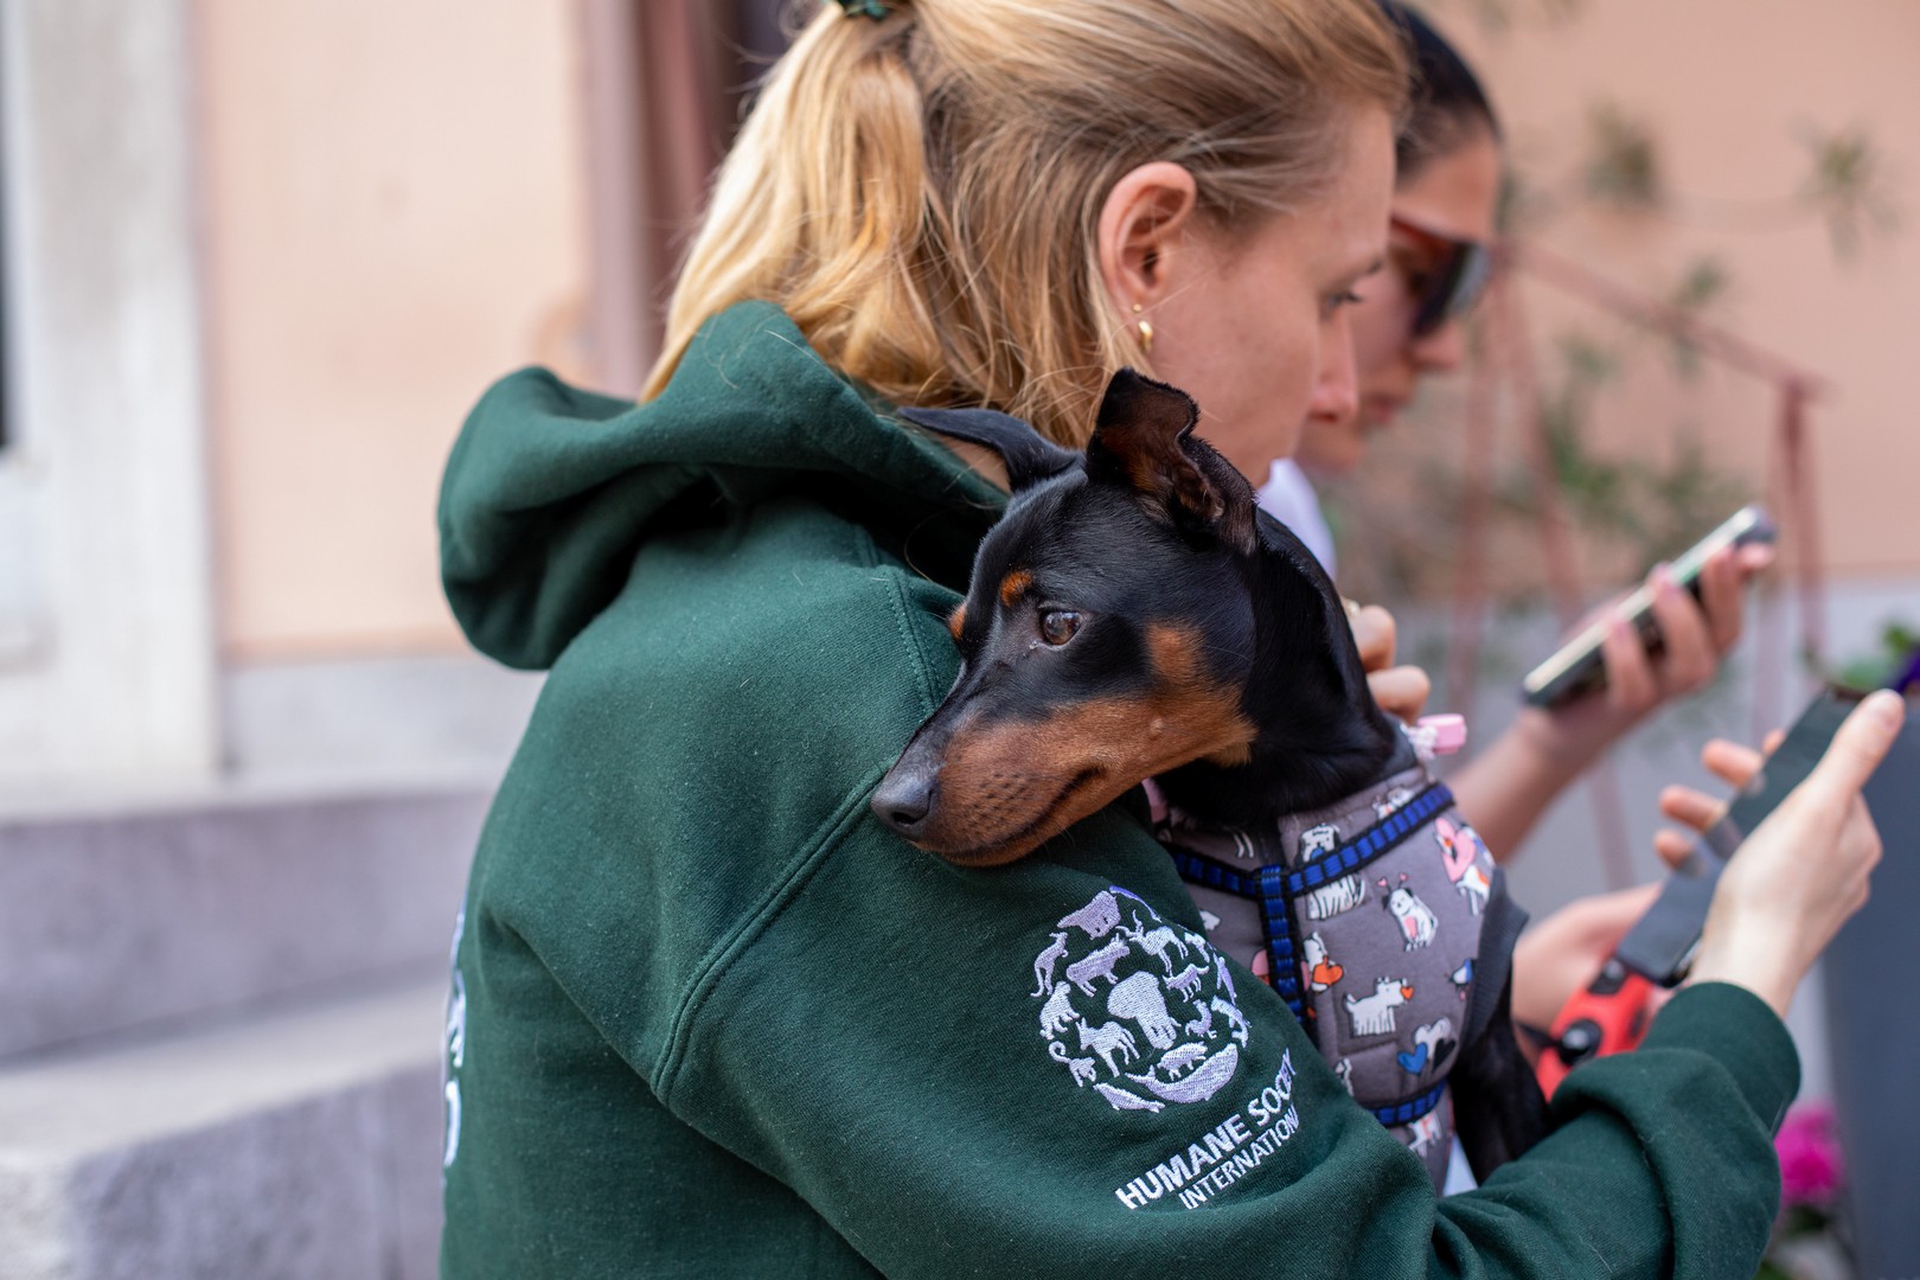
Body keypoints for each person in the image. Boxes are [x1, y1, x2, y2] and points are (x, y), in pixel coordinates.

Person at [435, 1, 1900, 1275]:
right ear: (1145, 250)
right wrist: (1746, 984)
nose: (1340, 388)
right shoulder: (843, 689)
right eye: (1340, 294)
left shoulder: (791, 591)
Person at [1261, 2, 1774, 863]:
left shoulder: (1281, 510)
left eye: (1472, 287)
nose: (1448, 349)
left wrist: (1557, 736)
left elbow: (1358, 912)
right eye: (1420, 273)